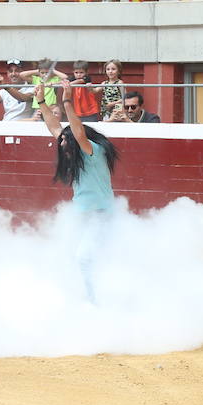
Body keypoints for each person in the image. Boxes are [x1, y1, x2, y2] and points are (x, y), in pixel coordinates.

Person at [37, 82, 120, 302]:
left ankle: (95, 301)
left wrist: (67, 100)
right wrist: (42, 102)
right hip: (82, 215)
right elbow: (54, 127)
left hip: (102, 216)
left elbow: (77, 131)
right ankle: (80, 295)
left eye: (65, 139)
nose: (60, 141)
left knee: (84, 258)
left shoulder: (93, 149)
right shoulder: (75, 149)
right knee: (68, 255)